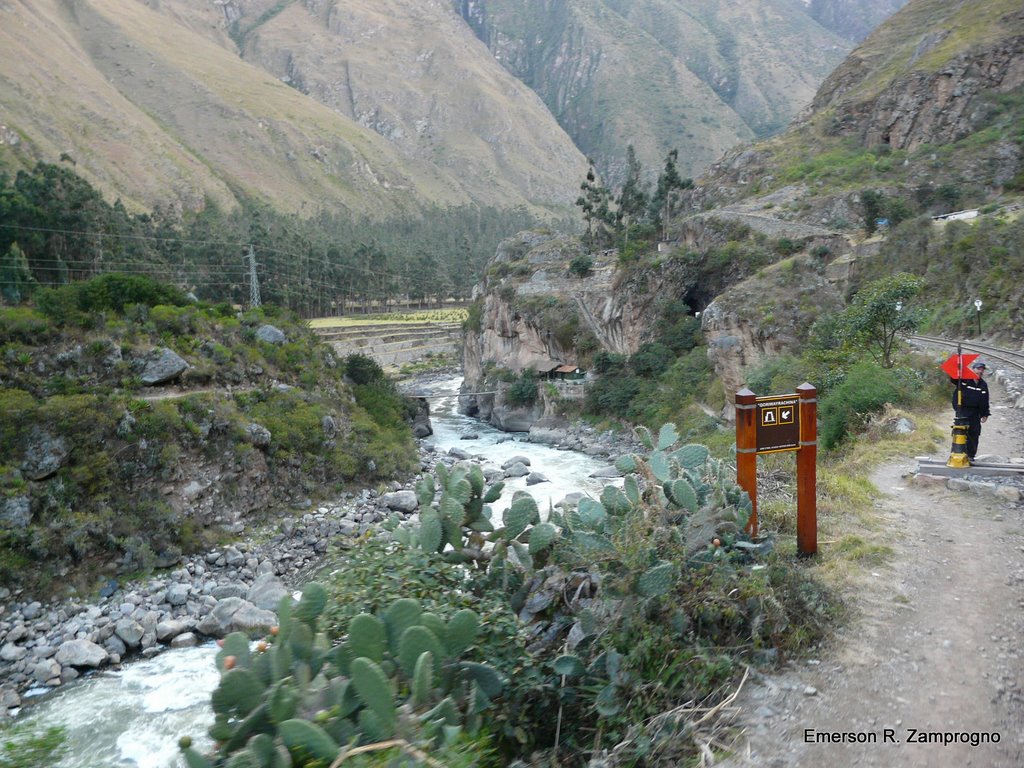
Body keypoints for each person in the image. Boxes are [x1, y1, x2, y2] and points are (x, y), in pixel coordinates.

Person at [950, 360, 990, 463]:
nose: (980, 371)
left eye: (982, 370)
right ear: (973, 369)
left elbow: (985, 400)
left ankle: (970, 455)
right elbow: (953, 379)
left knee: (974, 433)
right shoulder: (963, 380)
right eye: (978, 369)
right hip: (962, 410)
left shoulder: (983, 385)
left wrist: (985, 413)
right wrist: (958, 368)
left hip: (975, 413)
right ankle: (957, 453)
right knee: (960, 432)